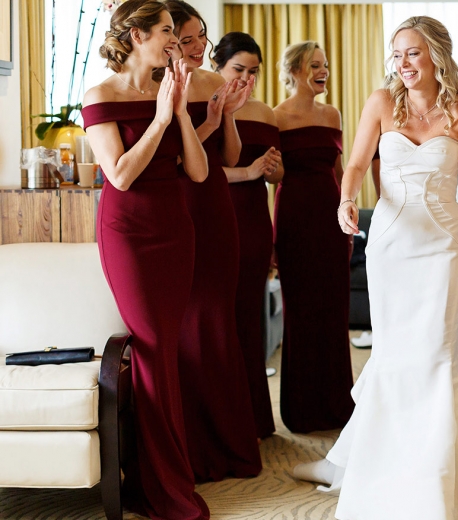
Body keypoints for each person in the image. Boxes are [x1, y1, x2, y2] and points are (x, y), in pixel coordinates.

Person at [293, 16, 458, 519]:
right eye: (397, 54)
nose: (403, 64)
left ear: (436, 55)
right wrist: (346, 198)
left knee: (437, 356)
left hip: (444, 249)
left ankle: (447, 477)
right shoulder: (380, 102)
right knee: (393, 356)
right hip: (390, 248)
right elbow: (355, 164)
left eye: (412, 53)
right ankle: (380, 464)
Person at [82, 0, 209, 517]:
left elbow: (197, 172)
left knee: (167, 349)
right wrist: (159, 118)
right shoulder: (100, 95)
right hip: (129, 233)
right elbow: (119, 175)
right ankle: (166, 483)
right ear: (137, 35)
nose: (176, 43)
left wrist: (178, 112)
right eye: (167, 32)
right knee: (153, 348)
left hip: (175, 228)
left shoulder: (169, 88)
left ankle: (153, 476)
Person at [165, 0, 263, 481]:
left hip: (216, 204)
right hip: (179, 204)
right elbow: (175, 163)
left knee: (218, 320)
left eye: (201, 36)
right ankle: (192, 444)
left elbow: (231, 154)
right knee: (188, 322)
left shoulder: (211, 82)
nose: (198, 46)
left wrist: (229, 115)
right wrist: (206, 119)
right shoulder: (157, 86)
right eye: (187, 39)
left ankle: (229, 441)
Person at [273, 41, 355, 433]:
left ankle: (338, 404)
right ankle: (302, 409)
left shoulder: (332, 113)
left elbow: (339, 170)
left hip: (330, 217)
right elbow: (275, 176)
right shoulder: (276, 116)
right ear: (293, 71)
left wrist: (348, 212)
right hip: (294, 218)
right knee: (301, 312)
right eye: (314, 66)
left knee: (334, 311)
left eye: (324, 65)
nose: (323, 72)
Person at [212, 31, 283, 440]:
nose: (246, 79)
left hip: (254, 221)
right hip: (216, 217)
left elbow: (278, 175)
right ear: (217, 66)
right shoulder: (204, 108)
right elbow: (195, 172)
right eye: (238, 69)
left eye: (253, 71)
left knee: (248, 320)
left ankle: (254, 419)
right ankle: (224, 423)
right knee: (219, 320)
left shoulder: (265, 113)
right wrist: (249, 172)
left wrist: (272, 170)